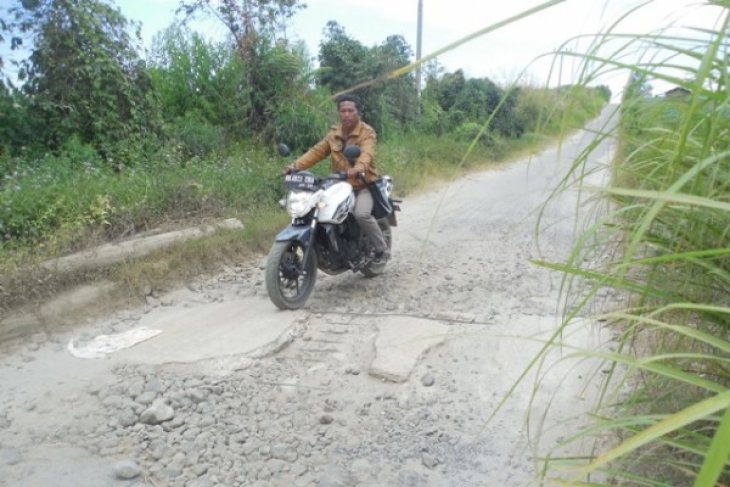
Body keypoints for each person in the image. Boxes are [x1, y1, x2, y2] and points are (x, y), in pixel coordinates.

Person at [284, 93, 388, 264]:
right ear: (339, 113)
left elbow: (367, 153)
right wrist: (295, 166)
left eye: (350, 110)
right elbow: (316, 152)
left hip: (363, 185)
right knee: (315, 209)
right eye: (343, 111)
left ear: (358, 112)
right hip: (339, 185)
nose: (346, 114)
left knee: (361, 214)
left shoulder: (367, 132)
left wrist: (358, 168)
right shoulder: (334, 134)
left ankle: (381, 249)